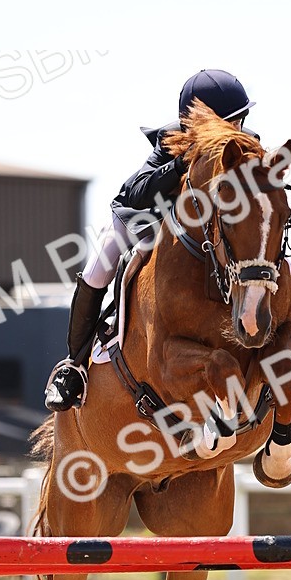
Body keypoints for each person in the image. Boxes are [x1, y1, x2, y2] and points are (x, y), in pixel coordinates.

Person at [44, 69, 258, 412]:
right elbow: (135, 192)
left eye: (240, 122)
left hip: (199, 234)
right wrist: (178, 166)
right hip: (142, 219)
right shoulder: (171, 141)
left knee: (271, 262)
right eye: (230, 123)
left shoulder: (245, 148)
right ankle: (73, 368)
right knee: (97, 271)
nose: (237, 132)